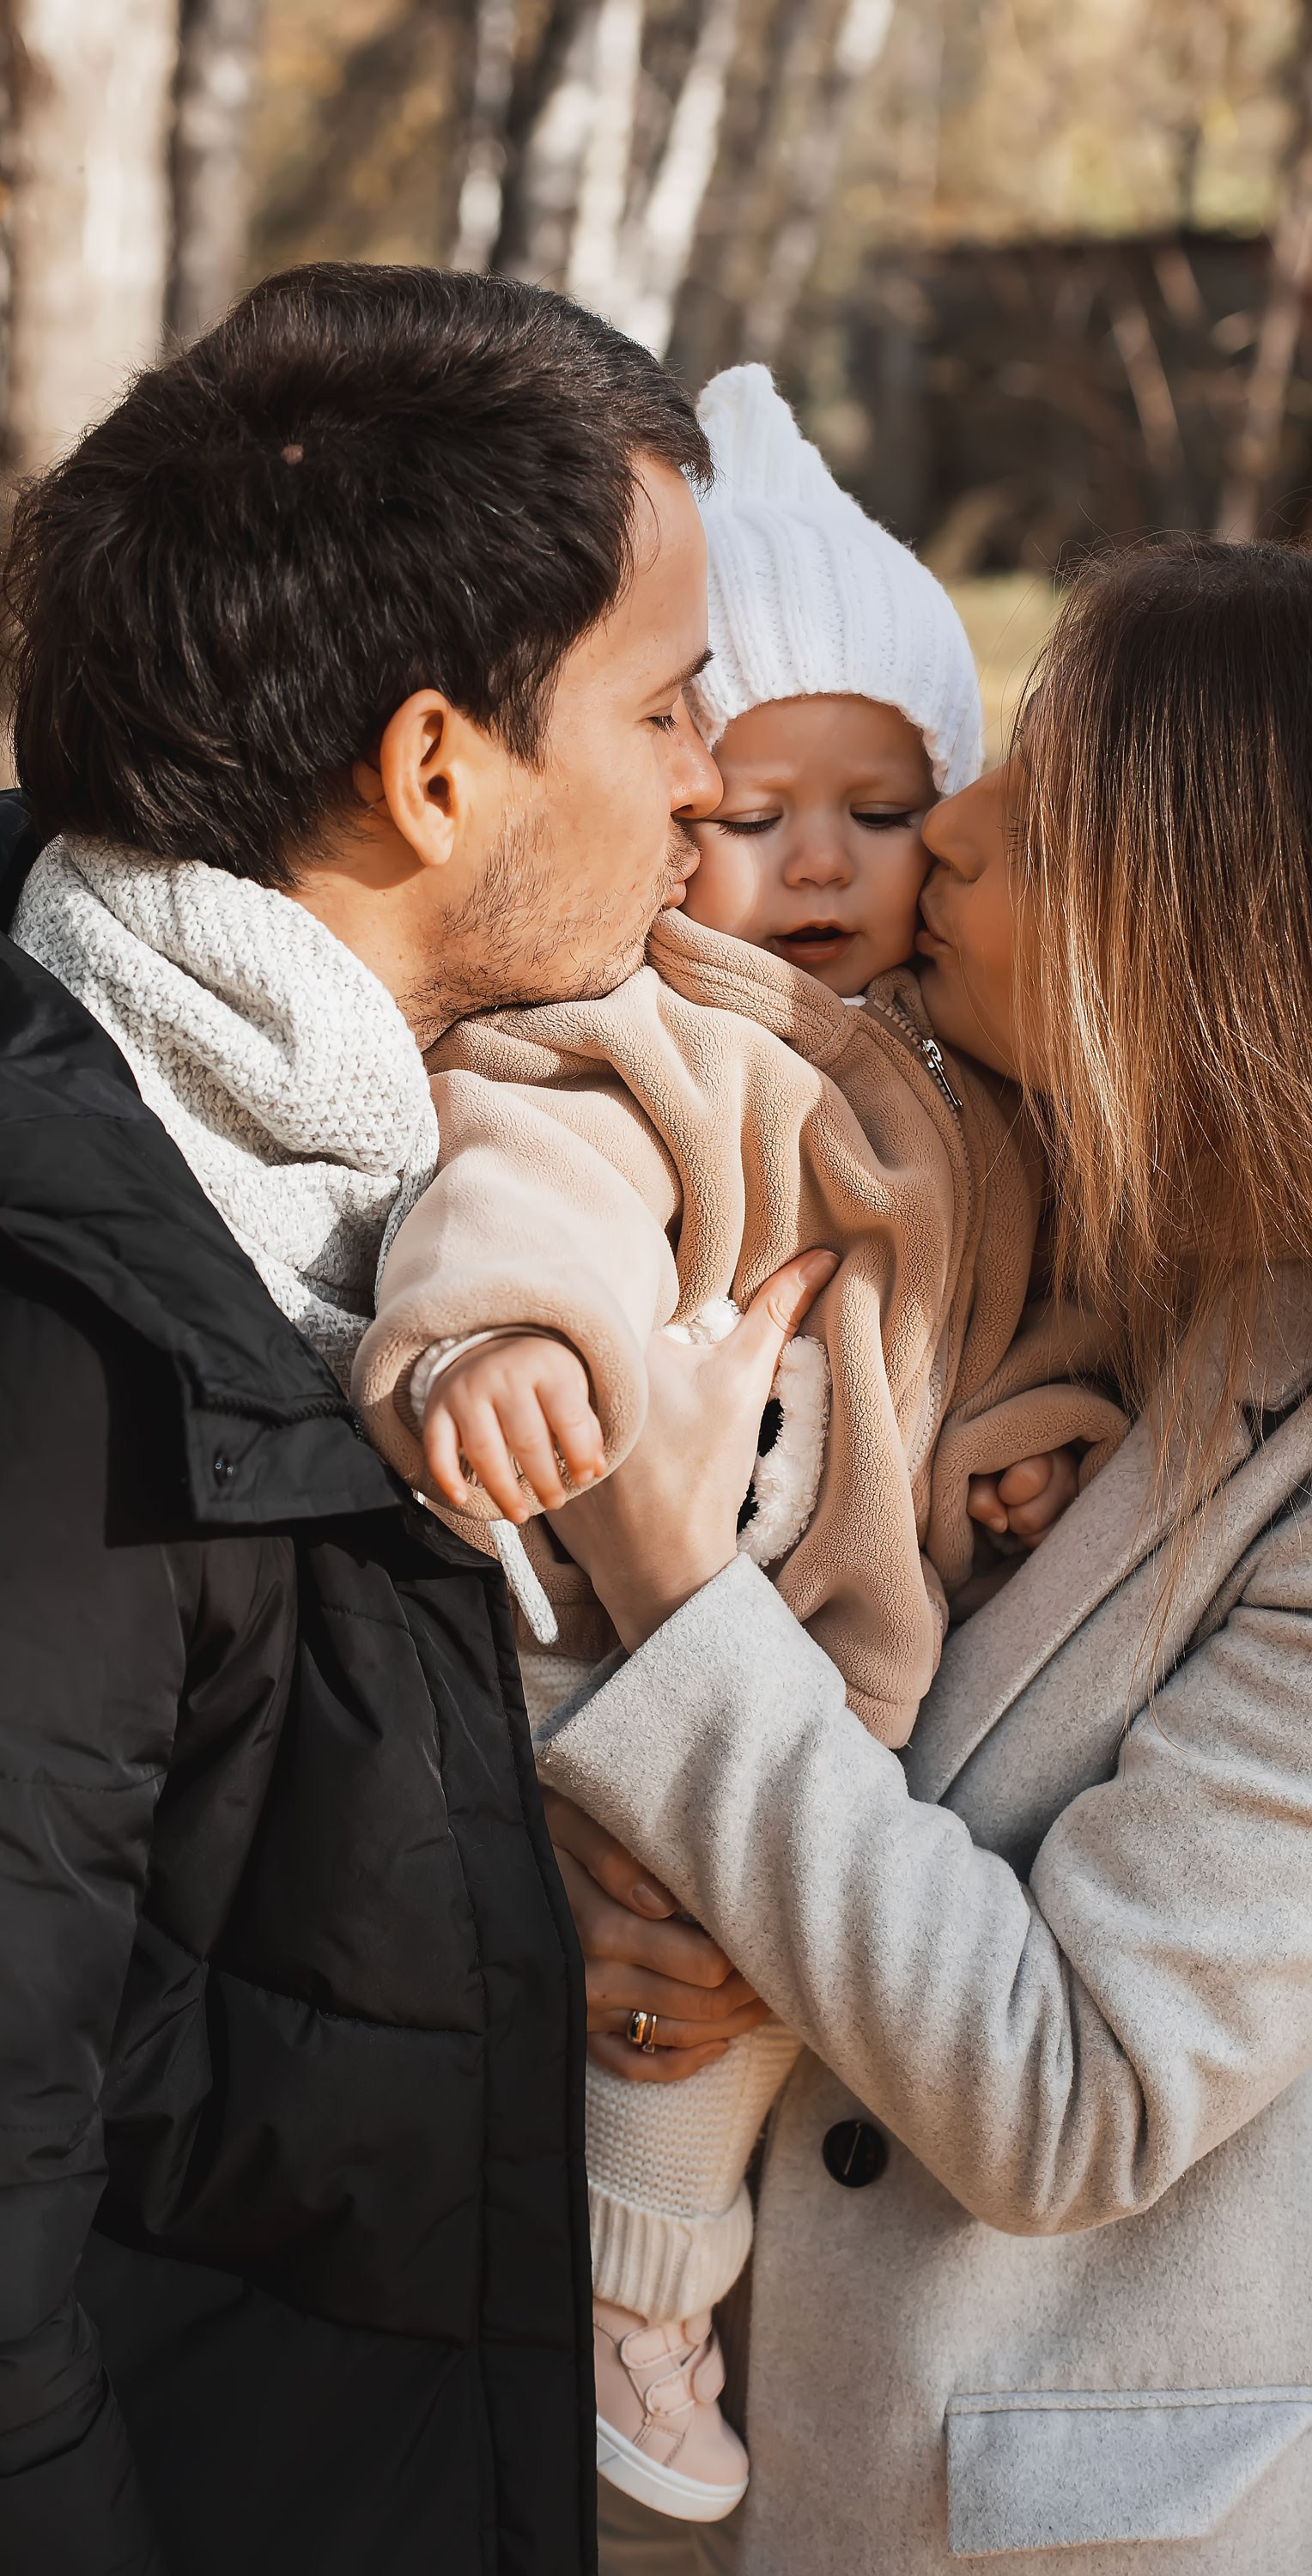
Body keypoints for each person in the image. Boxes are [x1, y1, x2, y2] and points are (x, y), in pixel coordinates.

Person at [0, 263, 723, 2576]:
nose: (712, 775)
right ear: (435, 770)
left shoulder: (329, 1182)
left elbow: (205, 1956)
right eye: (663, 703)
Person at [350, 366, 1121, 2523]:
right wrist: (499, 1337)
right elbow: (529, 1179)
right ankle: (633, 2306)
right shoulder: (657, 1038)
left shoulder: (979, 1090)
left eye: (881, 811)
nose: (818, 862)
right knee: (678, 1969)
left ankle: (660, 2296)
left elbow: (1035, 1321)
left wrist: (1040, 1441)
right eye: (755, 810)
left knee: (783, 1952)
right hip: (620, 1631)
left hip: (835, 1652)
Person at [531, 533, 1312, 2573]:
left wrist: (678, 1595)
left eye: (1037, 820)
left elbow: (1075, 2094)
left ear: (1211, 933)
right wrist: (617, 1913)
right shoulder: (1043, 1234)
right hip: (719, 2460)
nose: (947, 825)